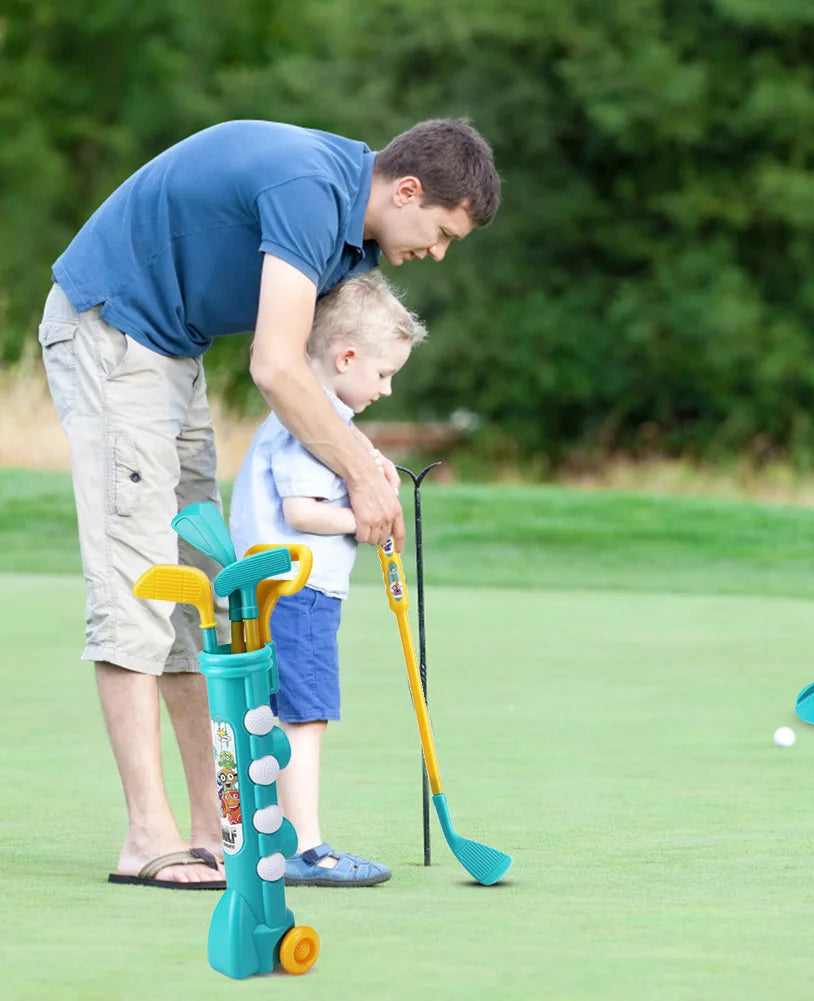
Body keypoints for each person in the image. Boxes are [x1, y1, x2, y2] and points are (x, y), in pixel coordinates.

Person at [38, 118, 500, 888]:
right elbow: (276, 368)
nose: (439, 252)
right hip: (113, 333)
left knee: (199, 591)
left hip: (170, 351)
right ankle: (148, 839)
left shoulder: (350, 234)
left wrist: (365, 462)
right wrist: (357, 471)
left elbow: (330, 367)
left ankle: (209, 830)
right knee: (140, 585)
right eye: (443, 231)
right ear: (408, 190)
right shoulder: (313, 192)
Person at [230, 271, 425, 886]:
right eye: (383, 373)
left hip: (283, 593)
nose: (387, 389)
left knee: (279, 713)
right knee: (303, 716)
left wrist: (371, 472)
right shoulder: (310, 424)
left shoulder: (315, 420)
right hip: (298, 594)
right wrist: (365, 517)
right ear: (345, 358)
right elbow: (303, 512)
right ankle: (305, 850)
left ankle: (272, 840)